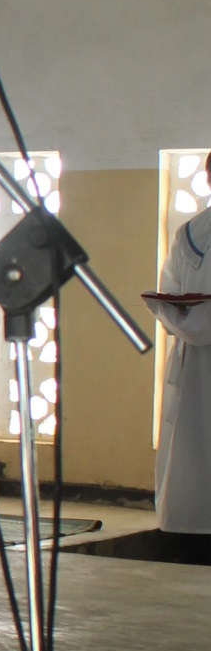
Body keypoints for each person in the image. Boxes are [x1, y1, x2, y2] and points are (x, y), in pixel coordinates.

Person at [152, 151, 211, 532]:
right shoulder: (190, 234)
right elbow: (169, 292)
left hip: (197, 355)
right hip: (196, 367)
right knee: (194, 451)